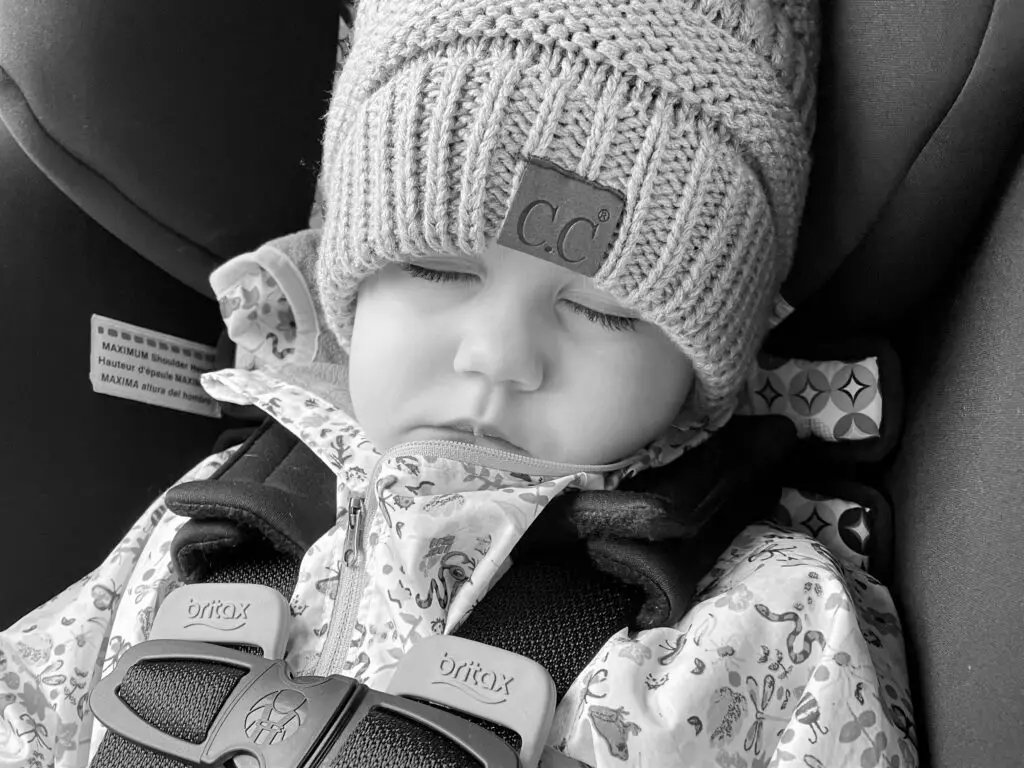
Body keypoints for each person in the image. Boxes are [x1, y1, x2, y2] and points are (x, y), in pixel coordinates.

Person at [0, 0, 919, 766]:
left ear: (696, 368)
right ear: (347, 282)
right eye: (438, 271)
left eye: (601, 309)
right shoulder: (208, 528)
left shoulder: (763, 619)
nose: (498, 355)